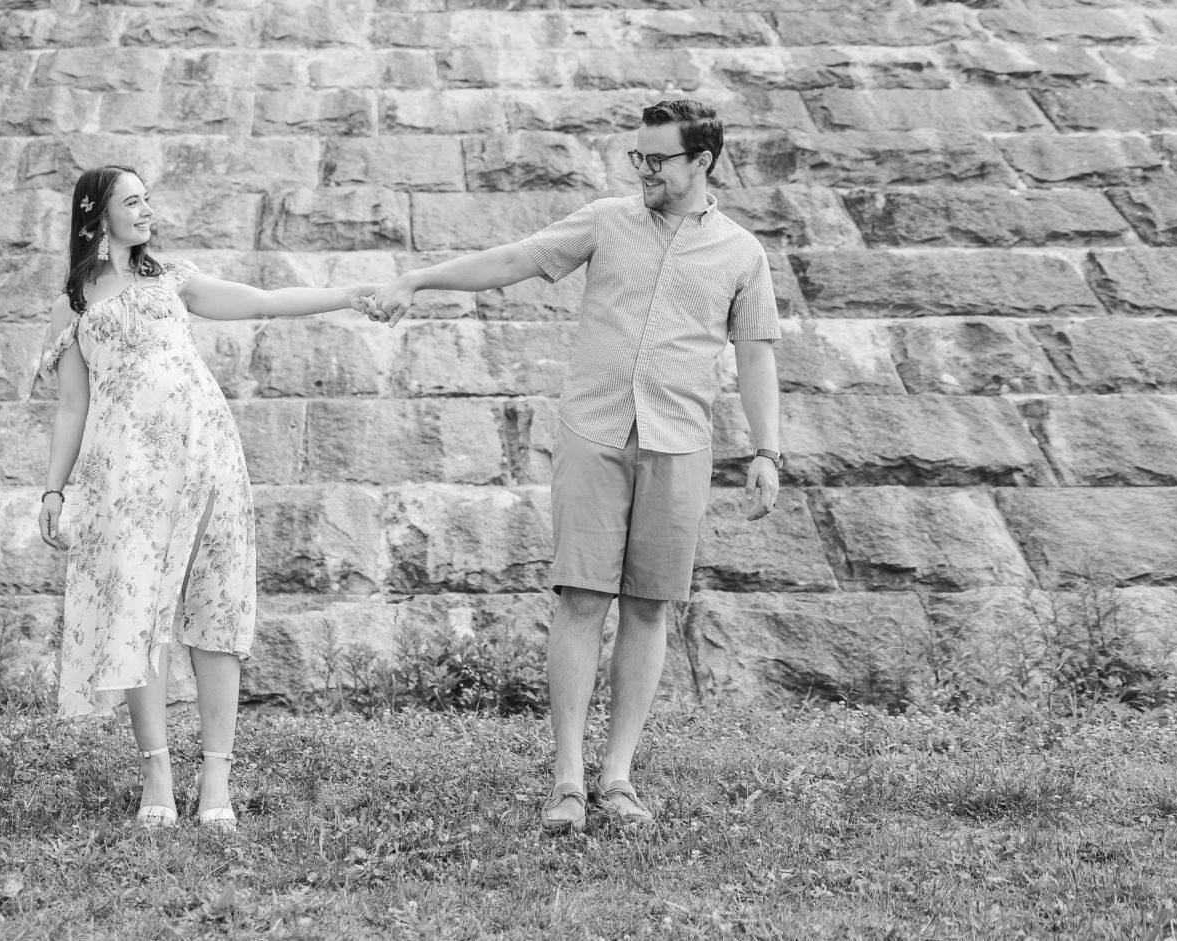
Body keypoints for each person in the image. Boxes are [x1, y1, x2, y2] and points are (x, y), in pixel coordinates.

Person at [364, 100, 783, 833]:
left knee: (650, 605)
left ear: (702, 162)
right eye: (638, 157)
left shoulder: (743, 252)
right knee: (582, 598)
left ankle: (617, 776)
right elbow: (513, 261)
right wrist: (420, 278)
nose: (643, 170)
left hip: (679, 441)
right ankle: (567, 781)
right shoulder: (605, 219)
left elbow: (755, 354)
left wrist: (767, 449)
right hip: (593, 432)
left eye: (657, 159)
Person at [39, 164, 374, 829]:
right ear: (95, 214)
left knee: (217, 609)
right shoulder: (74, 304)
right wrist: (54, 488)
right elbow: (73, 406)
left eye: (147, 199)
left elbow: (260, 300)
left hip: (207, 456)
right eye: (131, 201)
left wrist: (346, 293)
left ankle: (216, 775)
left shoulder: (173, 280)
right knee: (140, 614)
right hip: (126, 473)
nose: (146, 210)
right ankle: (157, 774)